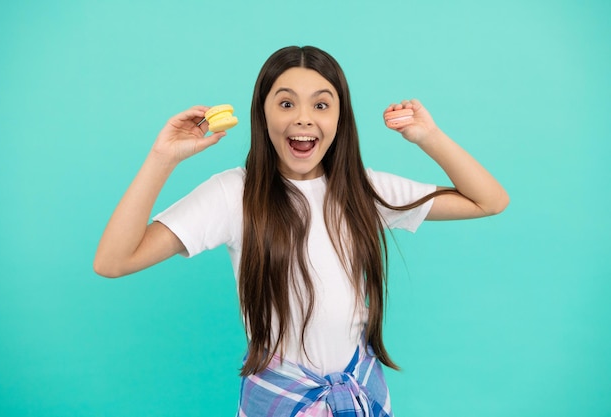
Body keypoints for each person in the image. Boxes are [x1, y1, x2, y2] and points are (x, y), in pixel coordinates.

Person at [94, 45, 509, 416]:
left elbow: (489, 201)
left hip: (361, 393)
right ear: (263, 112)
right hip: (279, 401)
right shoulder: (232, 194)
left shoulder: (363, 190)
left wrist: (428, 137)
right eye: (286, 104)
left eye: (322, 105)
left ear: (340, 117)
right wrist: (162, 157)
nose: (304, 119)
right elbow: (114, 261)